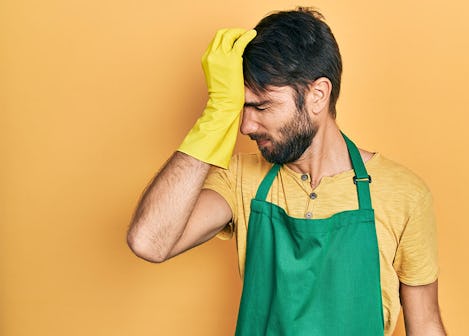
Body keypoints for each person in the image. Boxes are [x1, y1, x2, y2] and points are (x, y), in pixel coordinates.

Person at [127, 7, 446, 336]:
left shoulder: (403, 194)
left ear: (317, 95)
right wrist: (216, 113)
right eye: (240, 107)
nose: (246, 126)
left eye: (261, 106)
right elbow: (150, 241)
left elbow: (425, 324)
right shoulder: (240, 179)